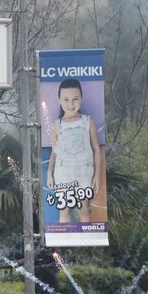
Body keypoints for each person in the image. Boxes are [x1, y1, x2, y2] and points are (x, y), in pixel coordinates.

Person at [47, 78, 103, 224]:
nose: (71, 104)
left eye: (75, 99)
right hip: (63, 172)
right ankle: (63, 241)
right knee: (64, 209)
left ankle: (86, 243)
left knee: (84, 209)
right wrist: (49, 174)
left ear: (81, 99)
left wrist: (97, 175)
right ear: (59, 100)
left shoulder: (88, 122)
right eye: (66, 99)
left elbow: (96, 150)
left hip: (84, 171)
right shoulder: (56, 126)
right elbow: (54, 152)